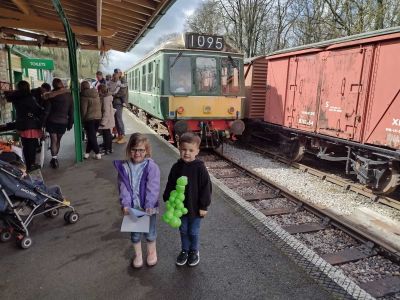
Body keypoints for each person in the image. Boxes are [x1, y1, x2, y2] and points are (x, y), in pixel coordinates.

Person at [163, 132, 212, 267]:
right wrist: (167, 197)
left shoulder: (200, 168)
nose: (187, 153)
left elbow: (206, 187)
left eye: (191, 150)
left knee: (193, 231)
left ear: (197, 151)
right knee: (183, 230)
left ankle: (194, 251)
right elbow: (170, 183)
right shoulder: (176, 167)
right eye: (184, 149)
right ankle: (184, 250)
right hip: (180, 208)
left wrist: (204, 206)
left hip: (195, 208)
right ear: (179, 149)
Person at [113, 133, 160, 268]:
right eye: (134, 149)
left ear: (147, 151)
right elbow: (123, 188)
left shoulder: (151, 167)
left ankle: (152, 253)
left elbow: (153, 187)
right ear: (129, 150)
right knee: (135, 234)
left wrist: (150, 205)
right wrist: (126, 204)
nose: (137, 153)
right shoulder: (124, 167)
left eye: (141, 150)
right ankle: (138, 255)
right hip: (133, 207)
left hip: (148, 207)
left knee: (150, 233)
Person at [5, 80, 44, 172]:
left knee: (26, 146)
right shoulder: (29, 98)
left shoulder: (15, 97)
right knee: (32, 147)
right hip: (30, 125)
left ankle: (27, 165)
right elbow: (37, 110)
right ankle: (31, 165)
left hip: (21, 125)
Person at [42, 78, 74, 169]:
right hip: (63, 122)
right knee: (58, 141)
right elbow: (71, 111)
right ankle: (55, 157)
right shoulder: (69, 95)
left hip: (52, 121)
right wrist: (70, 123)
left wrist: (43, 122)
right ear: (61, 85)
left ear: (53, 85)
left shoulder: (51, 96)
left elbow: (47, 111)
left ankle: (54, 159)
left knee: (53, 140)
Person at [80, 81, 102, 159]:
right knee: (91, 136)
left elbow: (83, 110)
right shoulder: (96, 94)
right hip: (98, 118)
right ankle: (87, 153)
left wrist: (82, 120)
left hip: (89, 119)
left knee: (92, 137)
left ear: (81, 87)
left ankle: (97, 153)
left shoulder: (83, 96)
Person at [98, 84, 115, 155]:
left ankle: (107, 150)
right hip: (109, 120)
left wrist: (103, 122)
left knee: (106, 135)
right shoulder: (107, 97)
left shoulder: (105, 99)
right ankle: (109, 149)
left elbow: (106, 112)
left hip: (107, 121)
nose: (98, 92)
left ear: (101, 90)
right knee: (107, 134)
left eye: (98, 90)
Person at [111, 69, 127, 144]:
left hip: (119, 102)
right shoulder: (119, 80)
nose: (115, 74)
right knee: (116, 119)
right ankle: (119, 136)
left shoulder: (123, 81)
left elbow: (123, 92)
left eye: (116, 73)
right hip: (115, 101)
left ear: (120, 73)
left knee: (118, 119)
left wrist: (114, 94)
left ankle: (123, 136)